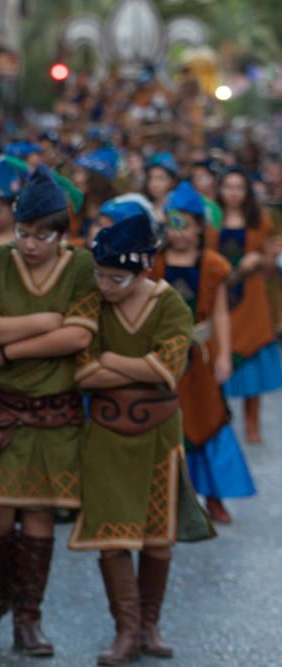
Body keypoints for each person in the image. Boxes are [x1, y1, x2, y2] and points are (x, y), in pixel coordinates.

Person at [71, 203, 213, 664]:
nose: (105, 285)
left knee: (157, 536)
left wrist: (110, 361)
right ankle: (126, 630)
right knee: (112, 535)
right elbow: (81, 372)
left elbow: (168, 368)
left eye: (117, 278)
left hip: (159, 434)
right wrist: (133, 368)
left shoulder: (169, 302)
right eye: (100, 275)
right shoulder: (92, 300)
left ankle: (150, 624)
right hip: (107, 433)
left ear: (143, 270)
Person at [0, 166, 97, 657]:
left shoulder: (82, 267)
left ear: (63, 235)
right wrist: (45, 321)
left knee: (41, 516)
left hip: (55, 413)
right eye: (24, 232)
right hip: (2, 410)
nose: (30, 244)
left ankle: (29, 615)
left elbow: (80, 335)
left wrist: (11, 349)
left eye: (42, 235)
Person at [150, 182, 258, 527]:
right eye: (170, 224)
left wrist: (224, 353)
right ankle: (165, 496)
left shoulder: (213, 264)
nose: (176, 233)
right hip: (165, 356)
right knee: (166, 421)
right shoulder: (156, 263)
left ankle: (214, 496)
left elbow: (221, 314)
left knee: (211, 420)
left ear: (199, 227)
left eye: (183, 224)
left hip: (201, 358)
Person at [214, 167, 282, 445]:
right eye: (228, 186)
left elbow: (271, 266)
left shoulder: (261, 223)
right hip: (219, 299)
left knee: (253, 361)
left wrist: (256, 259)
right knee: (217, 356)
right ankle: (219, 419)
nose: (233, 192)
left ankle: (252, 424)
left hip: (252, 300)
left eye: (239, 187)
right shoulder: (210, 222)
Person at [72, 147, 120, 240]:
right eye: (76, 172)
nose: (76, 178)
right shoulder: (76, 206)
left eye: (81, 173)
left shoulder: (116, 209)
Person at [143, 152, 178, 222]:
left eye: (161, 178)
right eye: (150, 178)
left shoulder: (179, 208)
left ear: (173, 181)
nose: (154, 184)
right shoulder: (145, 206)